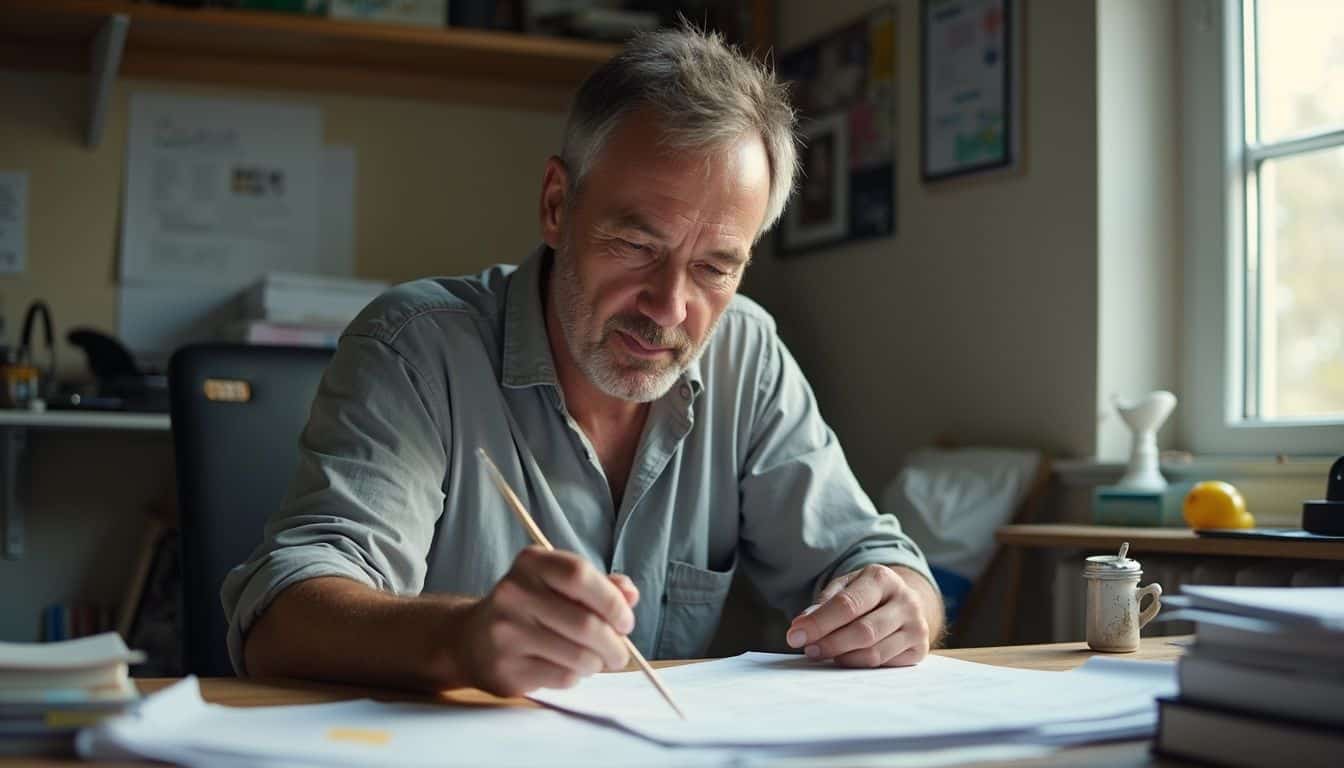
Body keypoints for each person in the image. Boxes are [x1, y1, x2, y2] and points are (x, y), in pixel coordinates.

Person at [222, 25, 943, 698]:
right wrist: (460, 639)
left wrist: (903, 599)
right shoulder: (417, 347)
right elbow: (282, 613)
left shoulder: (745, 354)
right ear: (557, 204)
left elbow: (872, 559)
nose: (668, 307)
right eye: (637, 247)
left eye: (715, 269)